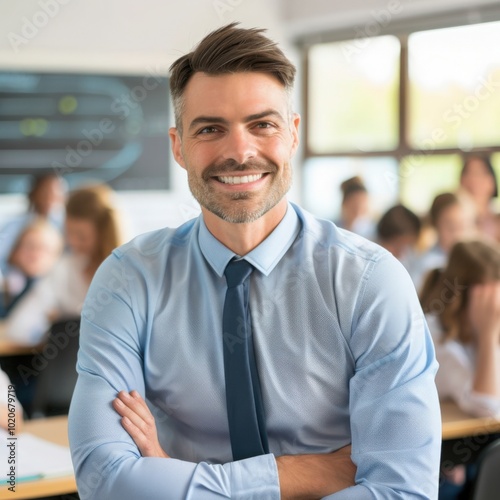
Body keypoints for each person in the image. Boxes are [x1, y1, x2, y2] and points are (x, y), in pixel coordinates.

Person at [68, 23, 441, 499]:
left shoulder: (369, 280)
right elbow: (104, 481)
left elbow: (402, 491)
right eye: (209, 129)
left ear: (293, 134)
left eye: (262, 124)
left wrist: (171, 475)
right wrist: (307, 474)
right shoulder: (129, 278)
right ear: (178, 145)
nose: (239, 152)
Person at [5, 184, 124, 346]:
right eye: (69, 233)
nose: (73, 243)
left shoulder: (130, 273)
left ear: (104, 233)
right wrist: (49, 328)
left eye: (82, 236)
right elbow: (18, 327)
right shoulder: (64, 269)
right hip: (69, 368)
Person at [420, 240, 500, 418]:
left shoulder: (475, 331)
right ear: (459, 298)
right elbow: (487, 407)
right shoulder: (435, 336)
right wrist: (488, 336)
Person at [410, 192, 476, 292]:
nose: (457, 234)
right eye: (450, 227)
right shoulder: (428, 266)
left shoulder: (475, 260)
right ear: (435, 225)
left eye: (463, 226)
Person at [0, 173, 66, 269]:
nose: (49, 198)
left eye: (56, 193)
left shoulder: (65, 226)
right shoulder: (13, 225)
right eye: (44, 192)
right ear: (33, 194)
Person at [0, 219, 63, 318]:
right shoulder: (6, 284)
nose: (35, 254)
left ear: (56, 257)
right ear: (15, 251)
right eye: (30, 246)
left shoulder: (57, 294)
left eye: (44, 249)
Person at [459, 154, 500, 241]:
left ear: (492, 182)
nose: (474, 180)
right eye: (468, 173)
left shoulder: (497, 220)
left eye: (480, 173)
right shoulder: (454, 223)